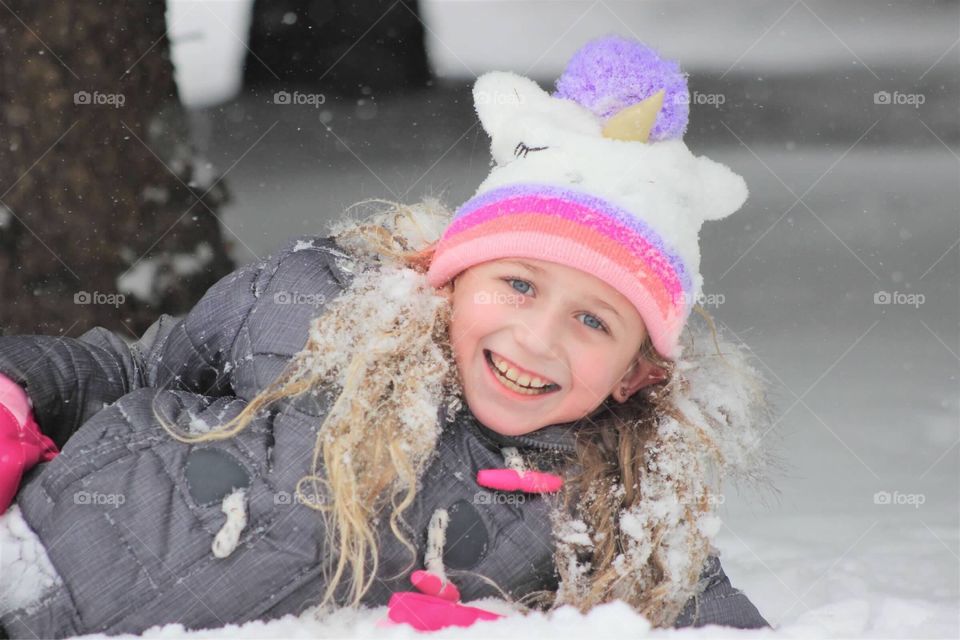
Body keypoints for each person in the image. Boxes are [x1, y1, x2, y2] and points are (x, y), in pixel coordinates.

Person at [0, 36, 775, 638]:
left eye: (593, 320)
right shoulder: (316, 308)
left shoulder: (609, 505)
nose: (538, 337)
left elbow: (700, 611)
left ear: (635, 374)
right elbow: (132, 369)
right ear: (450, 274)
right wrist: (17, 388)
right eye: (518, 284)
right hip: (26, 544)